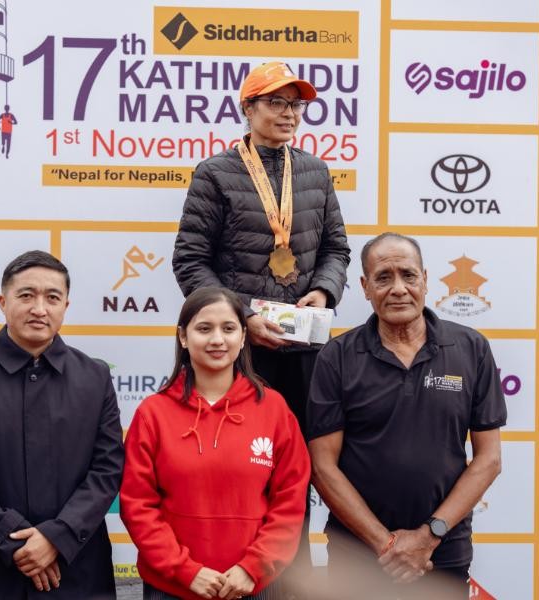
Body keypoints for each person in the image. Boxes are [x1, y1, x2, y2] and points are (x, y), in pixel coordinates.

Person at [172, 62, 350, 593]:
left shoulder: (315, 171)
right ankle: (227, 573)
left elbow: (337, 249)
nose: (288, 113)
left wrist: (325, 291)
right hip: (240, 354)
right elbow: (190, 261)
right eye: (275, 102)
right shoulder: (216, 173)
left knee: (297, 471)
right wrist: (243, 318)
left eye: (296, 105)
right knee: (239, 469)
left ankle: (290, 581)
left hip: (305, 354)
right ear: (247, 109)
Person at [306, 233, 506, 600]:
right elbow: (322, 467)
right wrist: (387, 546)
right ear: (365, 287)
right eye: (383, 277)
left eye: (408, 275)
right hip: (357, 557)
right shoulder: (336, 357)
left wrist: (427, 537)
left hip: (442, 552)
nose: (398, 288)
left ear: (425, 280)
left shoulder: (471, 348)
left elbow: (489, 459)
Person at [0, 250, 124, 599]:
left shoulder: (94, 378)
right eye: (26, 295)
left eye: (52, 298)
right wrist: (17, 544)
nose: (39, 308)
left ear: (65, 306)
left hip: (74, 572)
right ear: (2, 302)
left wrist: (57, 537)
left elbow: (107, 470)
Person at [120, 287, 311, 600]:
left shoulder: (274, 409)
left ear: (244, 336)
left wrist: (253, 567)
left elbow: (290, 501)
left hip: (254, 585)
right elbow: (138, 505)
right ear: (183, 337)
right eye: (204, 329)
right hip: (174, 588)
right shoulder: (153, 413)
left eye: (229, 328)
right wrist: (185, 570)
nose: (218, 340)